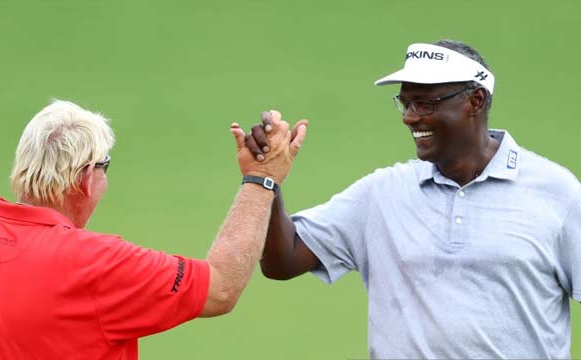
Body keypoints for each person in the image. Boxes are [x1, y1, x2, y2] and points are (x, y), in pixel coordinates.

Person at [244, 39, 581, 358]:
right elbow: (282, 260)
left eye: (425, 103)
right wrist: (267, 179)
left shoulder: (556, 193)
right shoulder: (381, 193)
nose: (409, 116)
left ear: (475, 101)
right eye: (406, 103)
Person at [0, 101, 307, 359]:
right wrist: (261, 179)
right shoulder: (98, 264)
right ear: (86, 178)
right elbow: (221, 287)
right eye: (105, 166)